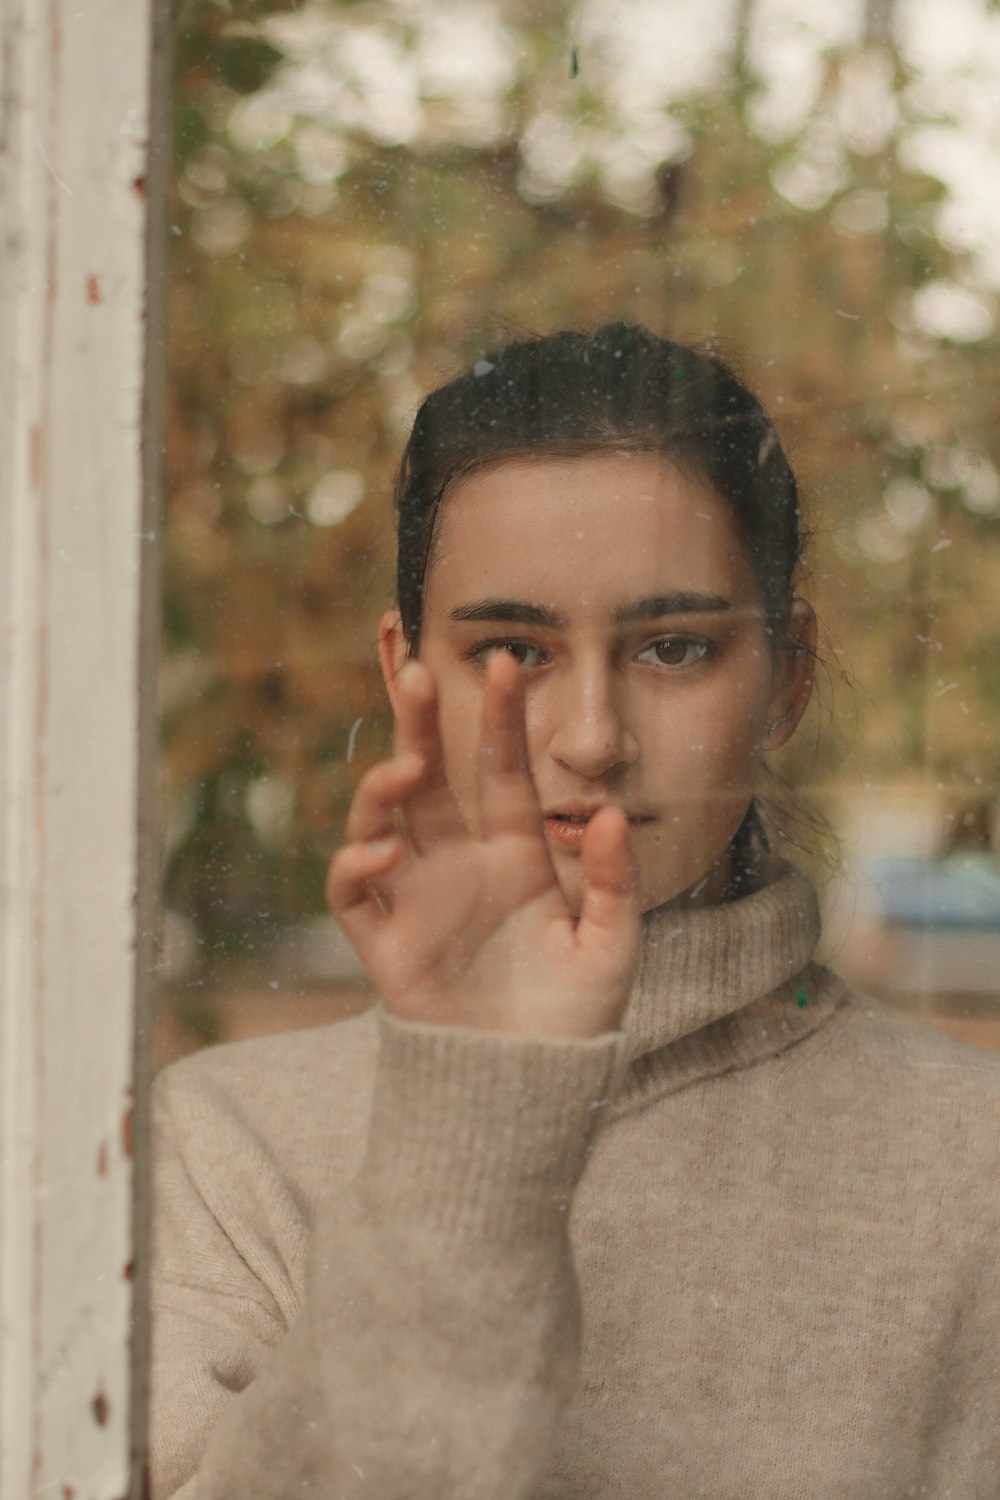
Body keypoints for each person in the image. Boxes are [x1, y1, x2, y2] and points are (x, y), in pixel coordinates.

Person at [149, 324, 1000, 1499]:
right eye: (511, 650)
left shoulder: (973, 1162)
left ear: (787, 677)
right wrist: (480, 1109)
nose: (592, 737)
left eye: (673, 648)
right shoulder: (229, 1147)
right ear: (406, 675)